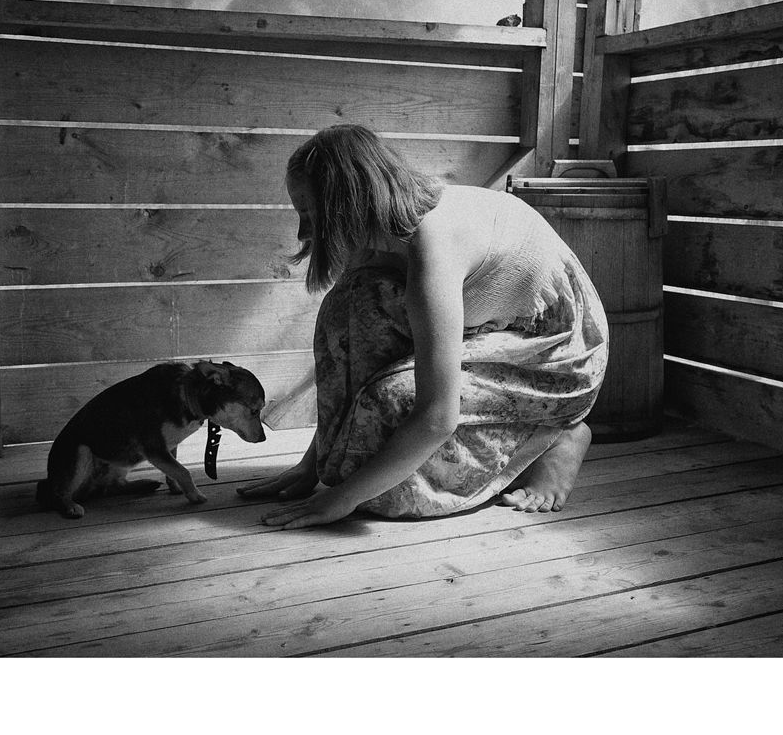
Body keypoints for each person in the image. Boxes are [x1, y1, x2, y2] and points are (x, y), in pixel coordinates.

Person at [238, 124, 609, 529]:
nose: (302, 232)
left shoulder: (433, 246)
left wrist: (342, 499)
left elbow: (437, 417)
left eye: (310, 213)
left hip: (555, 350)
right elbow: (347, 356)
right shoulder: (374, 239)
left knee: (383, 482)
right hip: (491, 322)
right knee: (345, 309)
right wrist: (314, 466)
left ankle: (553, 437)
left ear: (347, 203)